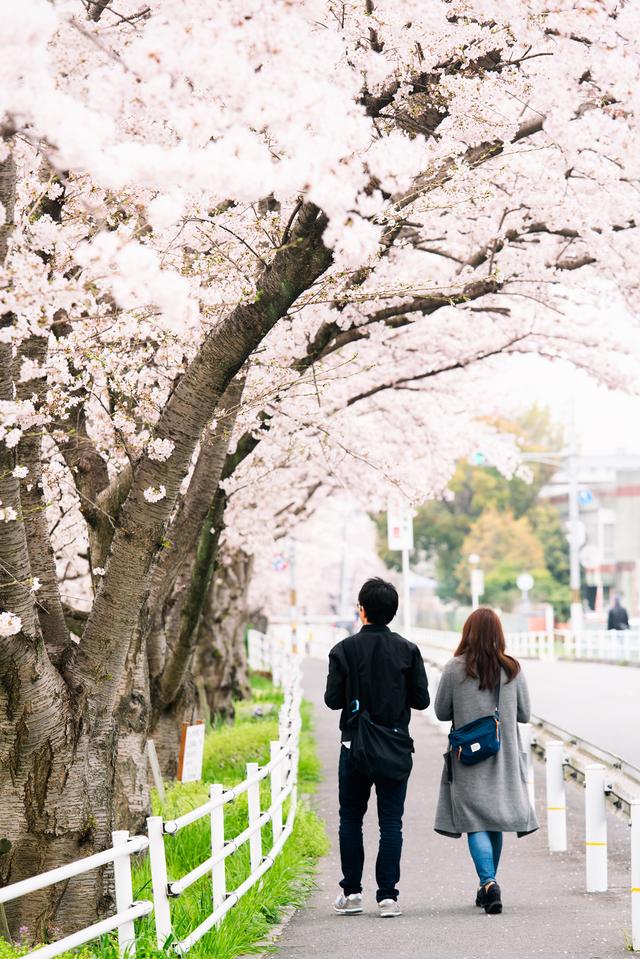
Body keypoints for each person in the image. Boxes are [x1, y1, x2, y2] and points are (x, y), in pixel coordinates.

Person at [324, 577, 429, 918]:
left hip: (355, 746)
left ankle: (352, 893)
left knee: (351, 818)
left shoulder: (343, 650)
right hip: (395, 745)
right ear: (393, 612)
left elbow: (332, 700)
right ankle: (387, 898)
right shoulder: (408, 650)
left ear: (362, 610)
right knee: (391, 824)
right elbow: (422, 700)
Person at [434, 607, 538, 914]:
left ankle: (488, 882)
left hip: (468, 758)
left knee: (475, 820)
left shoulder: (455, 668)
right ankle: (488, 884)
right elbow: (524, 714)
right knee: (493, 819)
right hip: (503, 758)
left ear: (468, 632)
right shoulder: (513, 669)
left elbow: (441, 712)